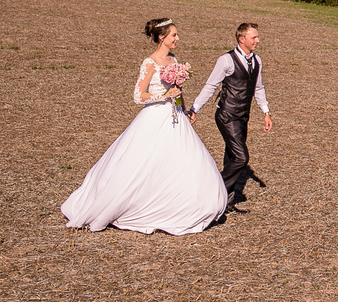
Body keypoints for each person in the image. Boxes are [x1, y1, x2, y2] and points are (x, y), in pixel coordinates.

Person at [61, 18, 227, 235]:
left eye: (177, 35)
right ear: (161, 37)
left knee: (184, 162)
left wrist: (184, 109)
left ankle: (185, 204)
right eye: (173, 35)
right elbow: (139, 96)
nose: (177, 38)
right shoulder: (150, 63)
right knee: (143, 165)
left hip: (176, 117)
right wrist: (164, 95)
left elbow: (177, 90)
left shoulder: (174, 59)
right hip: (155, 117)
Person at [189, 22, 273, 208]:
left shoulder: (257, 61)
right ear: (242, 39)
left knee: (232, 156)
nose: (258, 40)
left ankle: (225, 201)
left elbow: (258, 88)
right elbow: (211, 86)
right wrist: (195, 108)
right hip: (227, 115)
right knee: (241, 158)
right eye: (254, 37)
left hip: (244, 115)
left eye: (257, 37)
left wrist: (265, 112)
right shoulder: (226, 60)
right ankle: (212, 190)